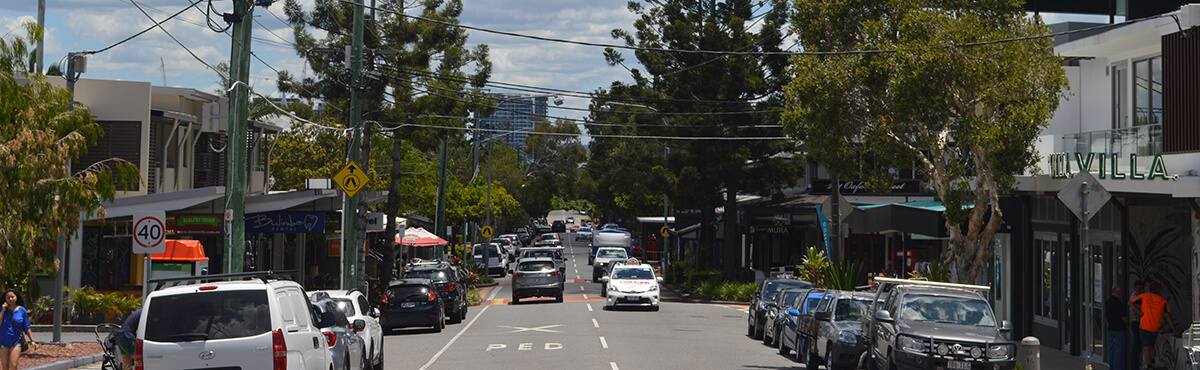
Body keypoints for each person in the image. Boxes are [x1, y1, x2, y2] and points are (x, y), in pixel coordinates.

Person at [1130, 280, 1179, 370]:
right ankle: (1152, 363)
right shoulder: (1162, 301)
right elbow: (1167, 315)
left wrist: (1139, 313)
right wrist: (1174, 328)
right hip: (1155, 327)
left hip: (1144, 326)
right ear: (1157, 290)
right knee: (1151, 345)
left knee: (1146, 347)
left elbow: (1130, 303)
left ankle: (1150, 366)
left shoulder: (1144, 296)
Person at [0, 289, 37, 370]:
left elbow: (26, 326)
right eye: (8, 297)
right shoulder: (1, 309)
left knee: (13, 365)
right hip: (3, 341)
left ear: (16, 297)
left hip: (16, 341)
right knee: (5, 367)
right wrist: (2, 311)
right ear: (5, 299)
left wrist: (32, 341)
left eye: (12, 297)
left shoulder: (22, 310)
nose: (10, 299)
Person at [1105, 284, 1128, 370]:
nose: (1121, 294)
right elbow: (1124, 317)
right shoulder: (1118, 303)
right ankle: (1118, 367)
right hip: (1119, 329)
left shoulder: (1108, 302)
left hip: (1111, 327)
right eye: (1120, 292)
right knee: (1119, 350)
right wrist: (1127, 323)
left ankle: (1112, 366)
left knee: (1112, 349)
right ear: (1118, 292)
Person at [1130, 280, 1145, 369]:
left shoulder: (1140, 296)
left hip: (1140, 323)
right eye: (1139, 288)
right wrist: (1139, 312)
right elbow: (1131, 303)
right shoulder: (1134, 296)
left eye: (1142, 288)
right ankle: (1134, 366)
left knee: (1139, 345)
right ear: (1135, 288)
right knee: (1137, 345)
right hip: (1136, 322)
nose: (1141, 290)